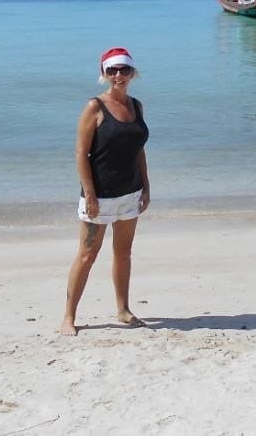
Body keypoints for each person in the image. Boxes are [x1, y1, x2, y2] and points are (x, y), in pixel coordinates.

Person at [59, 47, 150, 336]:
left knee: (123, 253)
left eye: (124, 69)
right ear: (104, 74)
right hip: (100, 195)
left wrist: (146, 186)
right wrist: (90, 195)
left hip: (130, 193)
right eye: (112, 70)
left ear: (133, 72)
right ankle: (68, 317)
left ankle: (123, 310)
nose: (118, 75)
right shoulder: (94, 107)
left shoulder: (137, 106)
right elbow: (80, 153)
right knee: (87, 255)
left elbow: (139, 151)